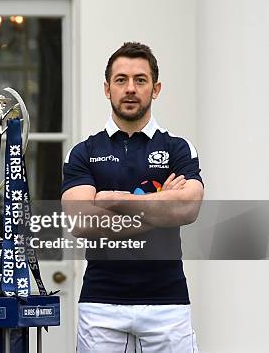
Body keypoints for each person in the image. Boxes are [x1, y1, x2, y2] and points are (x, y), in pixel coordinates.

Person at [61, 42, 204, 352]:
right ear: (106, 88)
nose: (130, 88)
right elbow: (81, 219)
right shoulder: (84, 152)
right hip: (101, 304)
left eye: (140, 80)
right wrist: (160, 203)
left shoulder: (178, 148)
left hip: (168, 303)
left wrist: (115, 199)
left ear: (156, 88)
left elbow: (188, 207)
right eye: (121, 79)